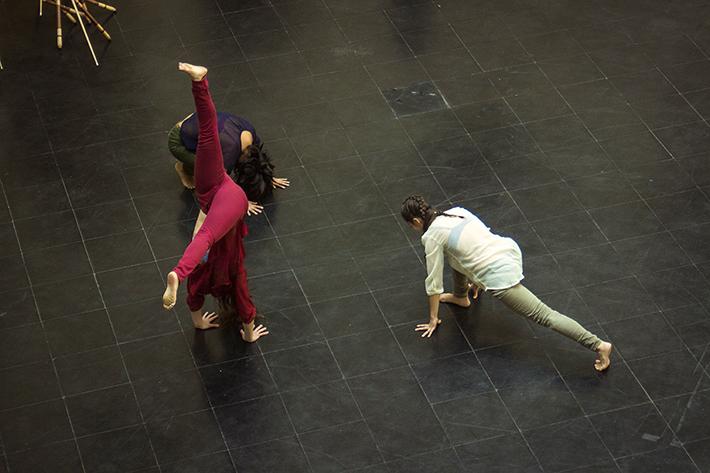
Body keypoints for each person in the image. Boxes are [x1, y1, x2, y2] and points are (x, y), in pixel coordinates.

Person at [400, 195, 613, 372]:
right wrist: (474, 278)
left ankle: (598, 345)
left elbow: (434, 281)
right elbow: (472, 245)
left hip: (498, 275)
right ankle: (460, 296)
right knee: (453, 253)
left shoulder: (432, 237)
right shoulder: (457, 211)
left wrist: (433, 318)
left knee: (545, 315)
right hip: (506, 251)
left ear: (416, 222)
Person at [162, 62, 268, 343]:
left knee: (208, 132)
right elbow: (244, 305)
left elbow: (195, 295)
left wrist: (198, 322)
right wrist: (249, 334)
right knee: (206, 236)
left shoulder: (204, 270)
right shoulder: (233, 270)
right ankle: (177, 271)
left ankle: (200, 81)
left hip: (213, 186)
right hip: (227, 202)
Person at [168, 110, 289, 215]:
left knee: (213, 153)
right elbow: (220, 181)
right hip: (178, 140)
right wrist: (243, 202)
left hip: (194, 122)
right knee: (208, 167)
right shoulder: (230, 151)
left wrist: (268, 177)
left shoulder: (251, 137)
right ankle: (183, 168)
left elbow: (260, 161)